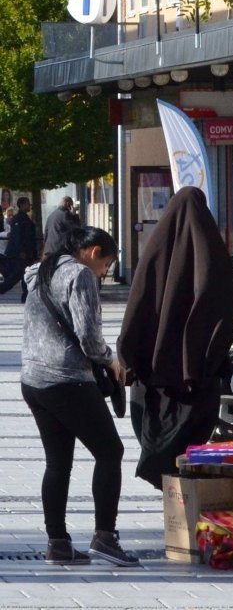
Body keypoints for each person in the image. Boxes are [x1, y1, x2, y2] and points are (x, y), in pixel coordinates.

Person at [20, 226, 138, 566]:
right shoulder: (79, 275)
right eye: (106, 264)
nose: (104, 273)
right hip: (67, 379)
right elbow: (88, 335)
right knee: (110, 451)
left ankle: (57, 542)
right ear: (93, 252)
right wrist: (110, 360)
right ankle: (105, 536)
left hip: (33, 379)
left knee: (58, 462)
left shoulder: (38, 271)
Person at [118, 187, 233, 489]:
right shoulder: (213, 257)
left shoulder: (154, 251)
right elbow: (227, 304)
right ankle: (182, 500)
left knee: (159, 439)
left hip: (154, 371)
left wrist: (129, 354)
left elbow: (137, 305)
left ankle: (171, 500)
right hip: (196, 374)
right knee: (189, 447)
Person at [1, 197, 39, 302]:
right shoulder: (18, 219)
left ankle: (26, 297)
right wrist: (21, 251)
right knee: (16, 277)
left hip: (26, 254)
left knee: (22, 276)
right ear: (21, 205)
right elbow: (18, 236)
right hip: (20, 255)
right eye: (27, 204)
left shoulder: (25, 218)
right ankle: (4, 289)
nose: (29, 206)